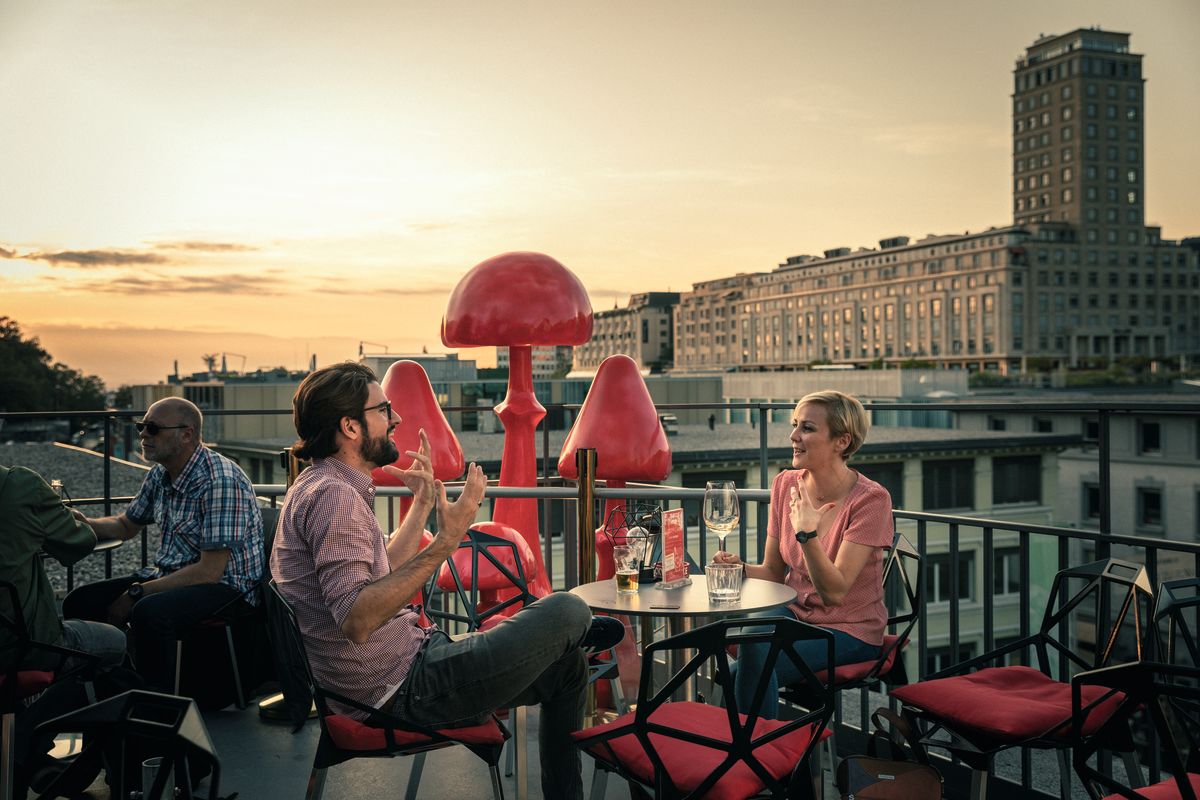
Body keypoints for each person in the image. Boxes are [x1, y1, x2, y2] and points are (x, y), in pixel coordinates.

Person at [272, 362, 614, 800]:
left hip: (408, 665)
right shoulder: (335, 499)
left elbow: (379, 573)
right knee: (569, 607)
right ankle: (575, 629)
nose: (395, 419)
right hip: (399, 693)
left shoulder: (319, 484)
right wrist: (449, 538)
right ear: (350, 426)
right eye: (383, 409)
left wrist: (422, 503)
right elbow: (358, 620)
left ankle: (571, 640)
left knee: (568, 667)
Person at [63, 397, 264, 692]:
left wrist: (135, 593)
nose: (143, 434)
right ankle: (107, 692)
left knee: (148, 612)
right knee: (80, 602)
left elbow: (209, 572)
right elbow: (126, 525)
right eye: (142, 426)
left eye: (153, 428)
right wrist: (81, 522)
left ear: (186, 434)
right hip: (176, 575)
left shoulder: (220, 480)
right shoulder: (161, 474)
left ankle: (155, 707)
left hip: (228, 588)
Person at [714, 390, 893, 719]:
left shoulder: (871, 501)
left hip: (850, 629)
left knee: (743, 669)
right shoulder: (785, 484)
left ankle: (754, 760)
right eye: (795, 425)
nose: (793, 436)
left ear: (842, 441)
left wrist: (807, 534)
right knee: (750, 639)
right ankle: (758, 759)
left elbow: (835, 593)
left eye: (807, 428)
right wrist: (740, 568)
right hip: (796, 613)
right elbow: (772, 572)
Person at [0, 464, 126, 671]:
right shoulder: (19, 485)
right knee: (116, 641)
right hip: (26, 648)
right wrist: (72, 519)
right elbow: (79, 542)